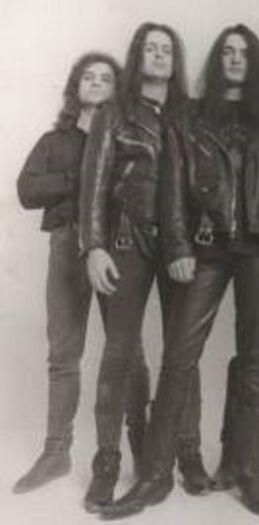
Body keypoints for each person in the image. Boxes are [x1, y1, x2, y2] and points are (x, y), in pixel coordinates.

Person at [100, 23, 259, 520]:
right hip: (207, 249)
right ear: (217, 60)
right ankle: (154, 477)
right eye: (227, 52)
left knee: (255, 360)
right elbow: (172, 188)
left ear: (254, 63)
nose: (235, 58)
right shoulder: (190, 117)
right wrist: (177, 246)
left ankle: (245, 468)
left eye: (243, 53)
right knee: (178, 359)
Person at [79, 23, 210, 513]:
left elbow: (206, 178)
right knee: (118, 354)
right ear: (139, 57)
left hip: (180, 246)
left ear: (175, 61)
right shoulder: (114, 112)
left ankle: (188, 453)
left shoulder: (191, 114)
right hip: (125, 242)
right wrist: (94, 247)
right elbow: (93, 184)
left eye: (166, 49)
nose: (158, 56)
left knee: (183, 354)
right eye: (150, 49)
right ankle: (108, 462)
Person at [14, 53, 151, 494]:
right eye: (87, 77)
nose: (95, 82)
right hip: (67, 247)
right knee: (63, 353)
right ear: (76, 87)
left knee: (129, 351)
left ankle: (142, 443)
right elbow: (27, 189)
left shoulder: (129, 139)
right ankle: (56, 452)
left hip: (119, 248)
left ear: (118, 89)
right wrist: (81, 179)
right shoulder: (55, 140)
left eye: (105, 78)